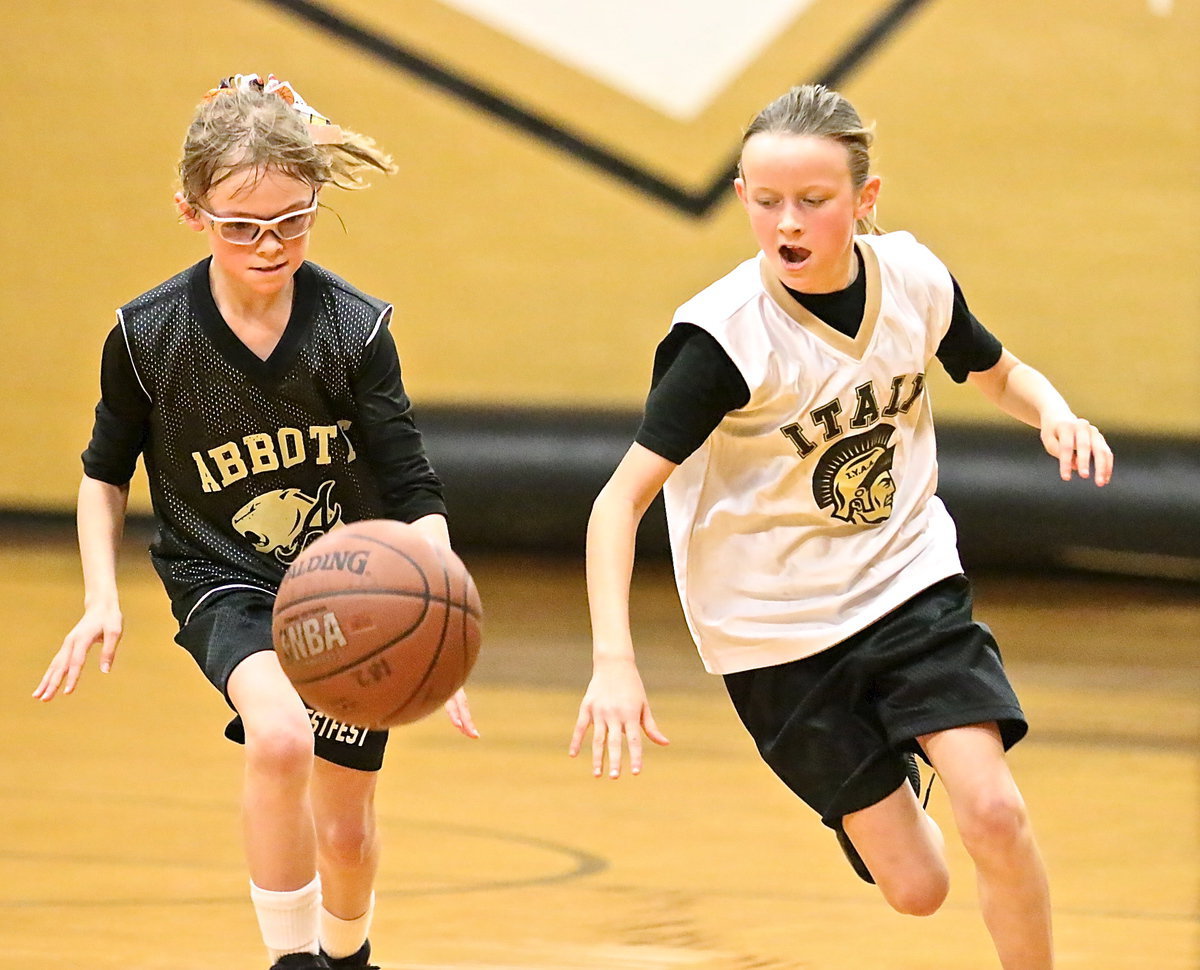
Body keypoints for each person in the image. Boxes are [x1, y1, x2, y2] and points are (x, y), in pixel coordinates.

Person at [570, 83, 1113, 970]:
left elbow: (996, 368)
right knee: (919, 889)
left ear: (865, 202)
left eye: (813, 201)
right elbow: (615, 503)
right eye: (766, 199)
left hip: (904, 579)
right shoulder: (721, 339)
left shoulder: (913, 278)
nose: (788, 222)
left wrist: (1055, 412)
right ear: (742, 197)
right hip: (773, 630)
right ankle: (890, 777)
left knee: (996, 812)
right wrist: (613, 663)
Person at [33, 73, 478, 970]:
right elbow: (101, 475)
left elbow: (410, 480)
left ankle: (348, 959)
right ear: (191, 212)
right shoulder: (148, 335)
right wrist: (98, 598)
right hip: (222, 577)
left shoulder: (354, 328)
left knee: (347, 834)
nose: (270, 246)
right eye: (243, 227)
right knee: (280, 734)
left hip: (353, 584)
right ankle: (289, 962)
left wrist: (443, 607)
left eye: (293, 221)